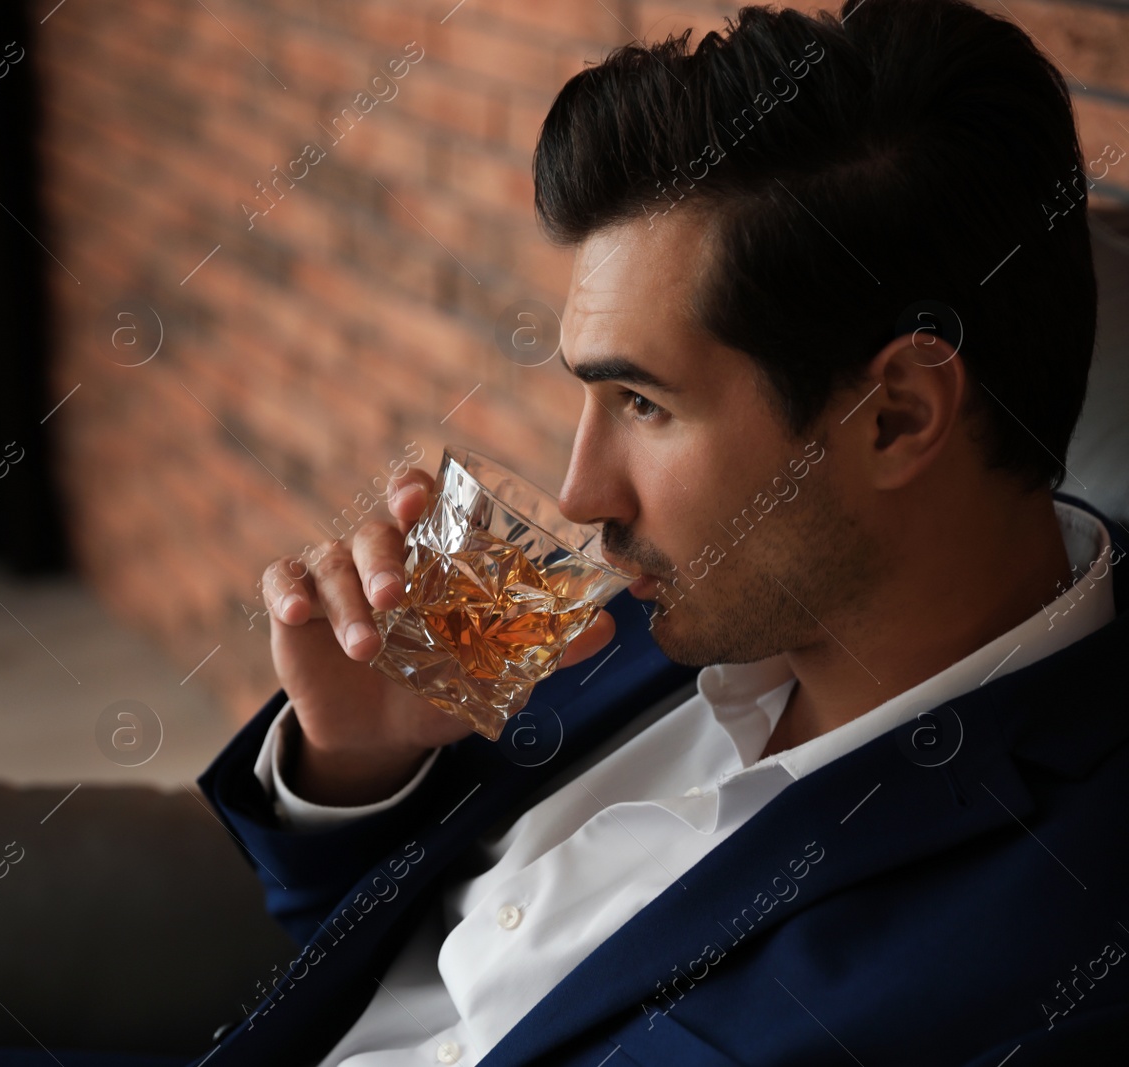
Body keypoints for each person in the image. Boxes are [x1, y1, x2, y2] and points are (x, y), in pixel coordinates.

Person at [196, 0, 1128, 1063]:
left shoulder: (1053, 942)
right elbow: (342, 944)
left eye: (642, 402)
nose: (580, 490)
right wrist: (358, 764)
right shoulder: (661, 614)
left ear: (895, 417)